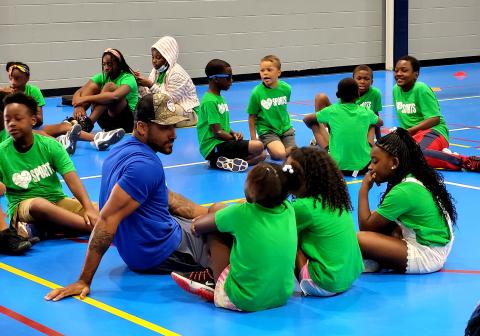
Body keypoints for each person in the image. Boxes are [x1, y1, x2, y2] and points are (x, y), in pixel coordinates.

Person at [45, 93, 212, 302]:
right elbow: (106, 220)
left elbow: (168, 198)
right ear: (142, 127)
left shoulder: (120, 150)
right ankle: (221, 285)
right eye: (165, 127)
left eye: (174, 126)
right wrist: (84, 280)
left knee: (214, 215)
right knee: (229, 235)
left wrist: (208, 213)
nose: (174, 134)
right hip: (161, 253)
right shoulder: (145, 166)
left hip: (143, 247)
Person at [171, 162, 297, 312]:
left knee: (215, 217)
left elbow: (198, 226)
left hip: (244, 299)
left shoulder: (242, 213)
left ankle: (214, 281)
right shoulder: (289, 209)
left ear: (252, 191)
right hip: (282, 295)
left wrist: (199, 223)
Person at [0, 92, 99, 240]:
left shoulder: (50, 145)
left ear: (33, 120)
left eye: (18, 119)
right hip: (23, 207)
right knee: (40, 205)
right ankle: (96, 227)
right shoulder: (2, 152)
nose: (12, 123)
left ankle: (41, 228)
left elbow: (72, 179)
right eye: (7, 120)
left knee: (100, 209)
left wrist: (89, 209)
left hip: (56, 201)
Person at [357, 128, 456, 274]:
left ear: (394, 162)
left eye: (375, 161)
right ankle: (381, 258)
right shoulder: (411, 177)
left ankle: (376, 260)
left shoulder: (403, 191)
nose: (370, 167)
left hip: (428, 254)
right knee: (379, 219)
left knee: (359, 239)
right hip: (437, 244)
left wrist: (363, 189)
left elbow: (366, 227)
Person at [286, 147, 363, 296]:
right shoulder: (334, 198)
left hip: (325, 284)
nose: (287, 176)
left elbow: (275, 230)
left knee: (287, 235)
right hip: (349, 276)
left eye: (290, 172)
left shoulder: (304, 207)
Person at [1, 62, 123, 154]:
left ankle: (98, 139)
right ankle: (61, 144)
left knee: (65, 126)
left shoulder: (33, 91)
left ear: (26, 78)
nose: (13, 82)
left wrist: (24, 102)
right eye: (10, 78)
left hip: (32, 127)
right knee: (38, 133)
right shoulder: (4, 95)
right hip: (13, 135)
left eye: (17, 78)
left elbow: (39, 120)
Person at [393, 55, 479, 172]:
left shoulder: (421, 89)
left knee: (418, 155)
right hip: (413, 137)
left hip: (434, 132)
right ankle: (440, 154)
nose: (398, 73)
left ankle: (465, 161)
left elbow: (434, 119)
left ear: (415, 74)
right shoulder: (395, 90)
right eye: (396, 70)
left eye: (404, 70)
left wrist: (410, 131)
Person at [304, 78, 383, 176]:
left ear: (338, 95)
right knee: (372, 123)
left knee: (314, 123)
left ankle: (327, 143)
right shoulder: (366, 111)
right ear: (357, 94)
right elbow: (380, 123)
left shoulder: (332, 110)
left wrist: (316, 126)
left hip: (336, 166)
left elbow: (306, 119)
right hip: (364, 167)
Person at [197, 59, 265, 172]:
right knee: (258, 146)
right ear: (215, 78)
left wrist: (233, 132)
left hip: (222, 144)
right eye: (228, 77)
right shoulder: (209, 101)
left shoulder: (220, 98)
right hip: (213, 147)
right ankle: (216, 160)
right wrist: (233, 138)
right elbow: (218, 133)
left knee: (262, 156)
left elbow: (222, 126)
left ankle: (227, 162)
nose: (231, 81)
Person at [136, 36, 199, 128]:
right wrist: (140, 85)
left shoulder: (177, 73)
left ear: (168, 57)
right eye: (153, 57)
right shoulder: (155, 72)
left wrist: (150, 85)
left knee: (162, 111)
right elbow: (148, 96)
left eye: (158, 58)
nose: (154, 61)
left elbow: (169, 100)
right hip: (169, 106)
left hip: (188, 111)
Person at [72, 48, 138, 133]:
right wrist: (79, 106)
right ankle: (78, 122)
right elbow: (79, 92)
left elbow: (115, 96)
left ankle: (88, 123)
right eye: (104, 64)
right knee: (93, 88)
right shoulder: (102, 76)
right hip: (106, 122)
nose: (106, 68)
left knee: (109, 87)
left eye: (109, 64)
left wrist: (85, 99)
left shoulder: (128, 78)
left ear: (118, 64)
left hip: (126, 122)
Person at [247, 55, 295, 161]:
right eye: (262, 70)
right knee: (280, 155)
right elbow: (251, 117)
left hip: (285, 129)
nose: (265, 73)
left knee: (295, 154)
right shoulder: (256, 93)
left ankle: (274, 145)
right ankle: (264, 143)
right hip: (267, 130)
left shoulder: (286, 88)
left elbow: (282, 108)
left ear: (278, 72)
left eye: (269, 70)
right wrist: (254, 139)